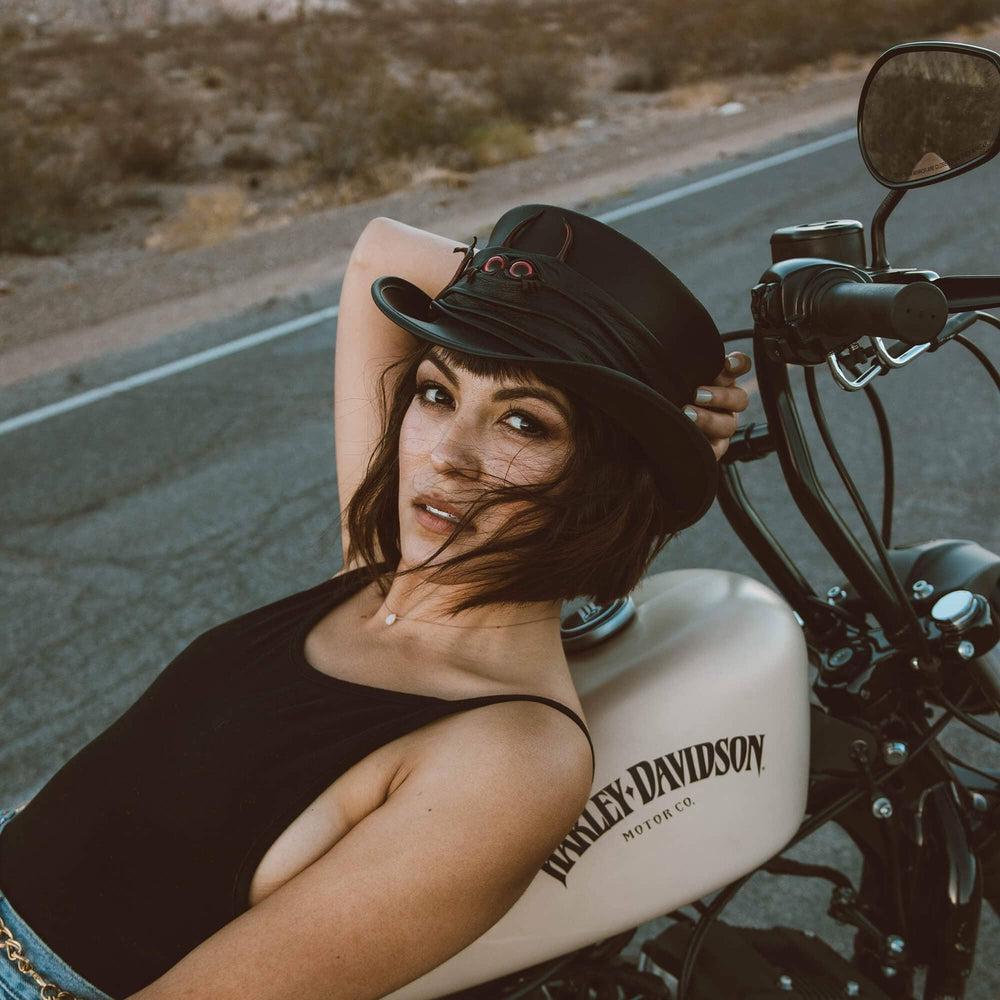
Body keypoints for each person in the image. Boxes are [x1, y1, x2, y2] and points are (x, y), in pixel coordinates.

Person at [0, 204, 750, 1000]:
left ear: (603, 479)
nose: (447, 457)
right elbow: (382, 253)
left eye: (522, 422)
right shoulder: (385, 569)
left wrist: (650, 423)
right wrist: (571, 315)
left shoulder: (513, 759)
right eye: (436, 393)